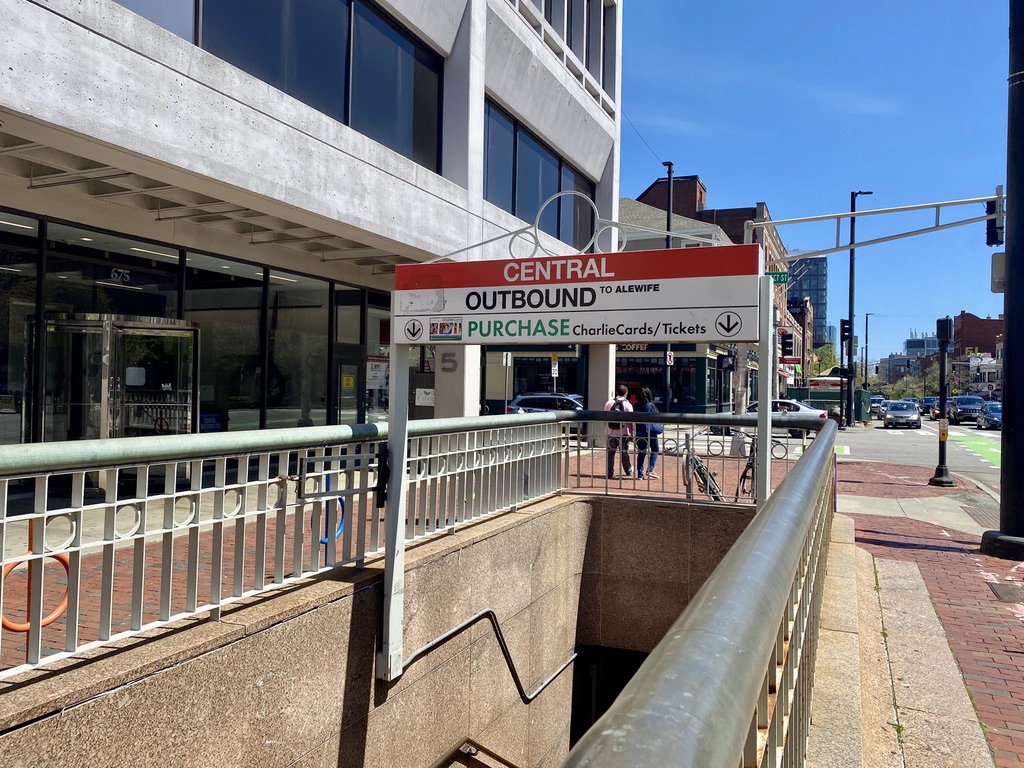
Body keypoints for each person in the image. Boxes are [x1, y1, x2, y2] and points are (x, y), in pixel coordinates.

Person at [604, 384, 634, 479]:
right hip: (623, 433)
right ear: (626, 393)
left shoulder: (609, 403)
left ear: (617, 392)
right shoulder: (627, 404)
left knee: (610, 453)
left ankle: (609, 473)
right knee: (624, 453)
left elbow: (604, 417)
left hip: (610, 433)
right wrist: (632, 434)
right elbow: (630, 421)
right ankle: (628, 470)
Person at [635, 387, 662, 479]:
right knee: (655, 449)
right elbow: (657, 417)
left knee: (641, 451)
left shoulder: (636, 405)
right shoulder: (651, 405)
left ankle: (640, 473)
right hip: (650, 432)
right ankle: (650, 469)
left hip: (639, 431)